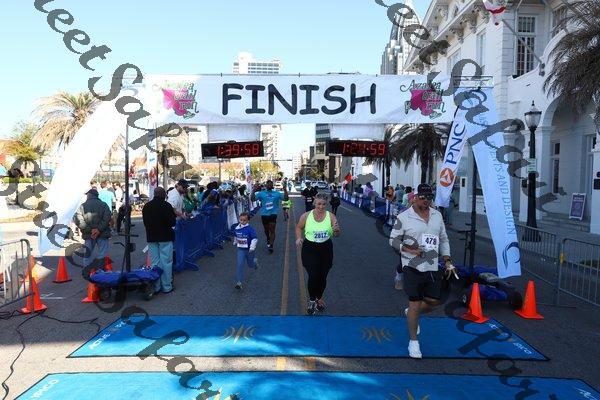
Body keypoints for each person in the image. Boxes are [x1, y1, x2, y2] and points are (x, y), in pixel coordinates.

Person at [389, 183, 456, 359]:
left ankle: (412, 313)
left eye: (429, 197)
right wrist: (409, 250)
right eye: (422, 197)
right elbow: (393, 240)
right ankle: (414, 342)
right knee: (415, 302)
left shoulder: (437, 215)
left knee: (434, 301)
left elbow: (443, 239)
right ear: (415, 197)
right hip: (411, 265)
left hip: (432, 265)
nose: (425, 200)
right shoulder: (404, 217)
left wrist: (447, 260)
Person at [296, 194, 341, 315]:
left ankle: (319, 297)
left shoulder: (331, 216)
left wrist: (336, 231)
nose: (321, 207)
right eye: (319, 204)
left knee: (322, 277)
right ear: (314, 203)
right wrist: (298, 238)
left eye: (323, 204)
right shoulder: (306, 216)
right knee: (313, 275)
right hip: (310, 248)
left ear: (326, 204)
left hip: (325, 248)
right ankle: (312, 301)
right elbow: (299, 227)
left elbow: (337, 234)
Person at [142, 187, 176, 295]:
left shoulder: (146, 206)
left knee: (154, 262)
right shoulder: (167, 206)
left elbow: (145, 223)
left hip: (151, 237)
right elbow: (172, 222)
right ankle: (167, 286)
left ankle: (156, 286)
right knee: (166, 262)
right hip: (165, 237)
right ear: (164, 195)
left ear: (154, 194)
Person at [74, 188, 111, 278]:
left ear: (89, 195)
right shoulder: (104, 205)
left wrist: (90, 230)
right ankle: (100, 272)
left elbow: (79, 220)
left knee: (88, 254)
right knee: (102, 253)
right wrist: (98, 230)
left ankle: (87, 272)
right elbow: (107, 218)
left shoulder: (82, 206)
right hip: (103, 233)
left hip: (88, 235)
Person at [251, 180, 288, 253]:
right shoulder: (261, 193)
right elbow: (253, 199)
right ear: (266, 186)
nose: (269, 185)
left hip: (273, 214)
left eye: (271, 184)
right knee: (266, 230)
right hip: (264, 214)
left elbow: (286, 199)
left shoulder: (277, 193)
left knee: (272, 230)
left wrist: (285, 190)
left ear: (272, 186)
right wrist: (253, 191)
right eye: (268, 184)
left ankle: (271, 245)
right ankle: (268, 238)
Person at [232, 212, 259, 290]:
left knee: (250, 265)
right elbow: (236, 236)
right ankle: (239, 282)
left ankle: (254, 262)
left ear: (248, 221)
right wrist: (235, 241)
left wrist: (252, 247)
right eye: (241, 220)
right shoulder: (237, 228)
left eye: (244, 220)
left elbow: (254, 238)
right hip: (241, 249)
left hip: (249, 250)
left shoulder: (250, 229)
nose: (242, 222)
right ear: (239, 220)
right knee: (240, 264)